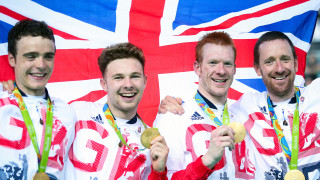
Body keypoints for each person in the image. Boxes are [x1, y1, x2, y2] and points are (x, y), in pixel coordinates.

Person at [154, 32, 255, 179]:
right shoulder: (173, 115)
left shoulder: (245, 112)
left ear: (234, 69)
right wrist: (206, 161)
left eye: (227, 63)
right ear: (197, 68)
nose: (221, 71)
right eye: (212, 62)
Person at [63, 43, 169, 179]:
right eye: (118, 77)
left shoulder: (153, 141)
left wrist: (159, 172)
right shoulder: (77, 112)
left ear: (145, 81)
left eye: (135, 76)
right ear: (104, 84)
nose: (128, 85)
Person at [229, 31, 320, 179]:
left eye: (285, 59)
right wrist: (177, 102)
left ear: (296, 64)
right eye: (269, 61)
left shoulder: (316, 93)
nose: (279, 68)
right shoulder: (246, 106)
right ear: (258, 69)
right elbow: (208, 107)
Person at [0, 19, 76, 179]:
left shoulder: (68, 112)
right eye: (31, 56)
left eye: (48, 56)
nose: (41, 65)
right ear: (11, 59)